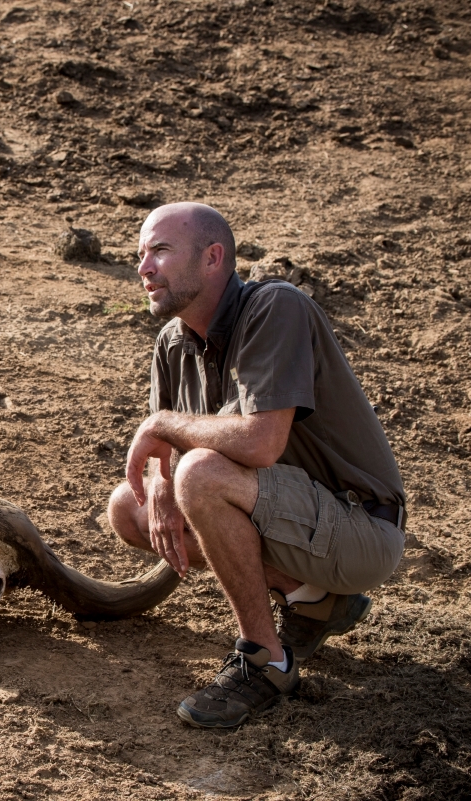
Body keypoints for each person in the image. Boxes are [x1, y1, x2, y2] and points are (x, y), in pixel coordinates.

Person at [107, 202, 405, 729]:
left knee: (199, 474)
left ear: (213, 258)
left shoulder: (275, 306)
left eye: (160, 251)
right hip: (286, 516)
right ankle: (309, 597)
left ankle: (265, 660)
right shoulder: (172, 342)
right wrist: (158, 482)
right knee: (128, 509)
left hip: (359, 526)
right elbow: (164, 449)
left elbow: (260, 443)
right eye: (139, 255)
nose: (143, 268)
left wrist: (162, 434)